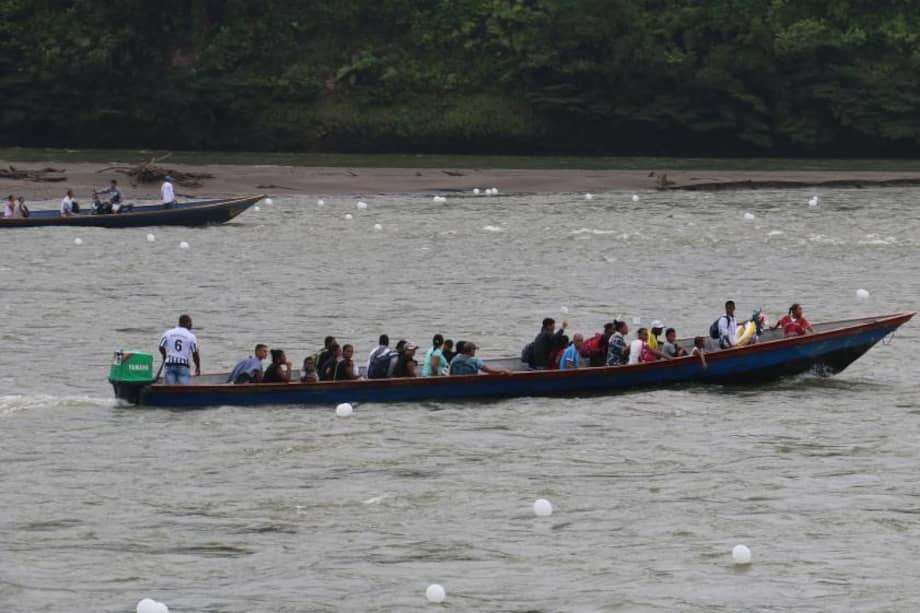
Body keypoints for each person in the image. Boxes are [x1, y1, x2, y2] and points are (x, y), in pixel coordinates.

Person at [158, 314, 200, 384]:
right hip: (183, 366)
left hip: (170, 364)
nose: (191, 325)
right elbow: (195, 353)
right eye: (191, 323)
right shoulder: (191, 336)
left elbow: (161, 346)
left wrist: (164, 356)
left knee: (170, 388)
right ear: (187, 323)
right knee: (182, 389)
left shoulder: (168, 333)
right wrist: (197, 367)